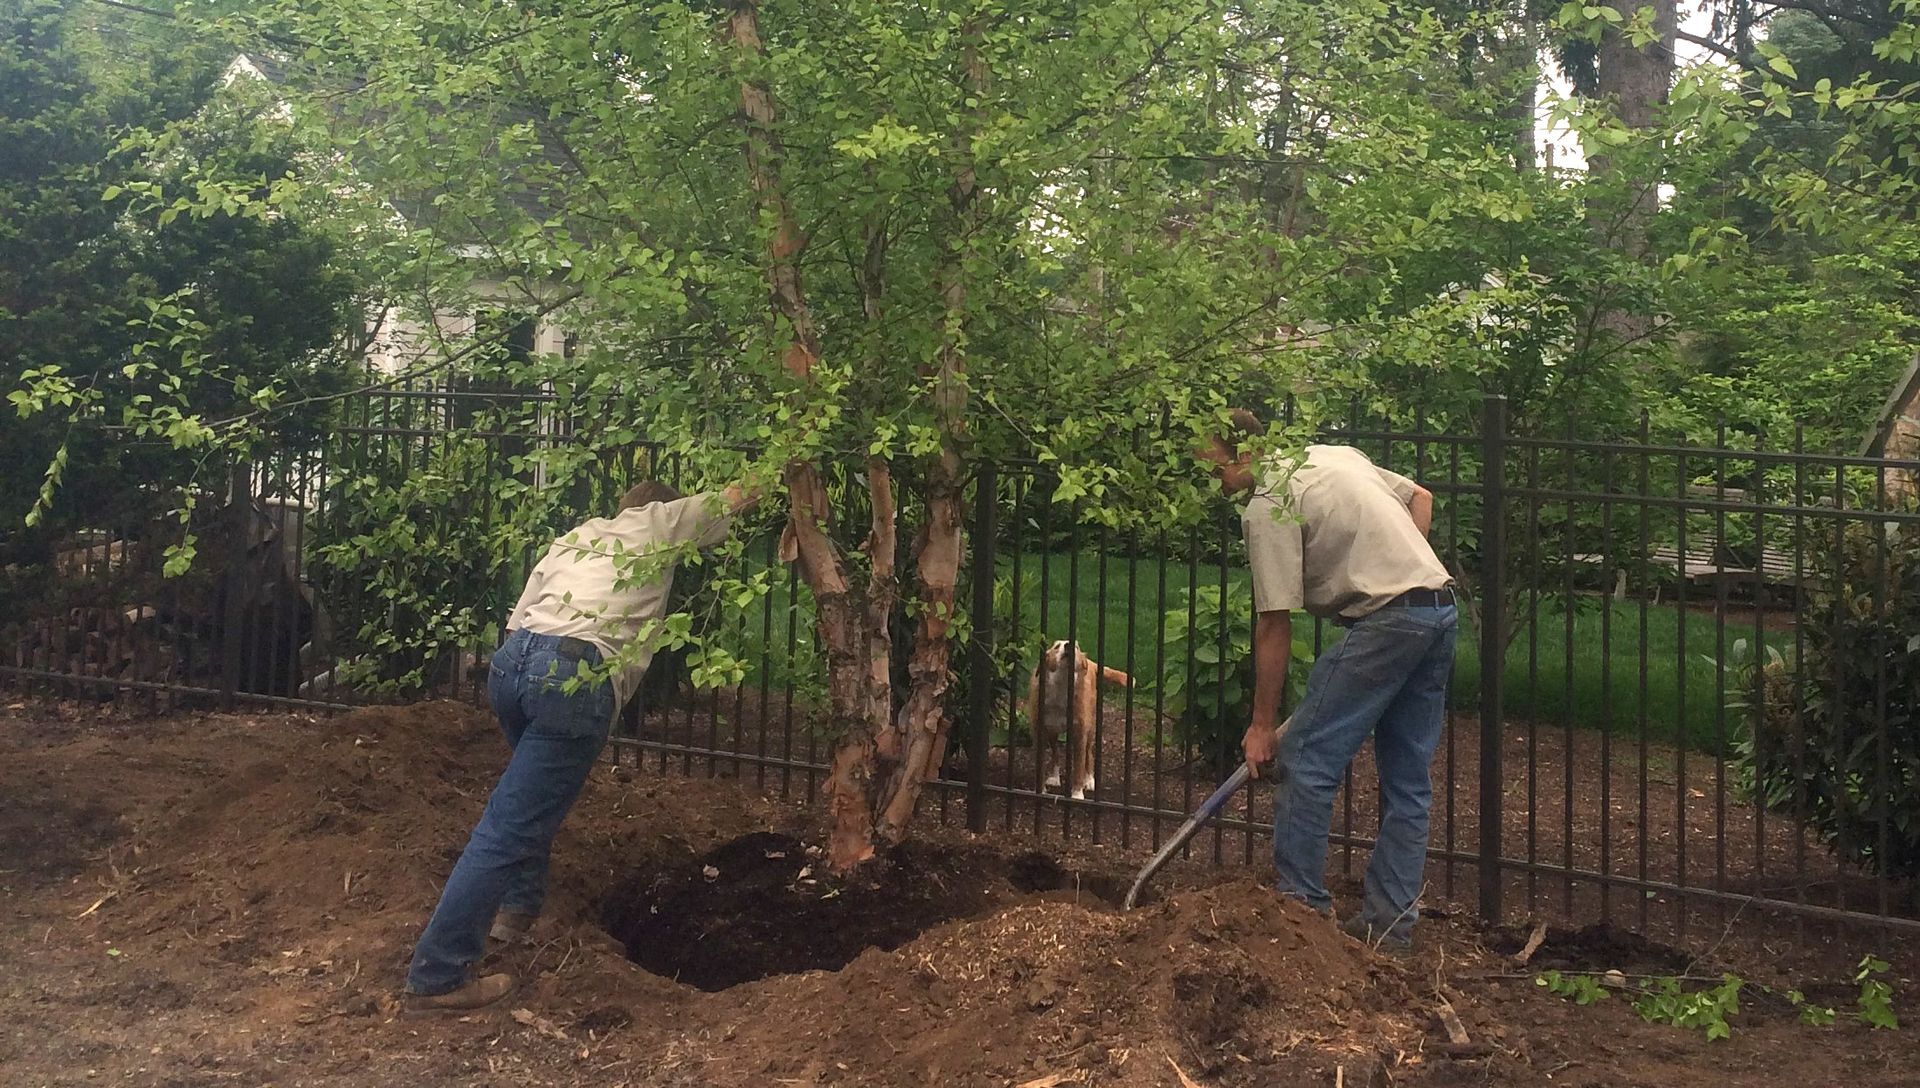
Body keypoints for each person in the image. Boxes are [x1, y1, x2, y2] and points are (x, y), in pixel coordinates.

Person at [402, 479, 759, 1013]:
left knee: (528, 805)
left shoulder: (579, 535)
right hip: (571, 679)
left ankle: (516, 912)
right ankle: (438, 975)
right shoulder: (657, 524)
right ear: (659, 508)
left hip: (513, 666)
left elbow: (518, 619)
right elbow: (735, 496)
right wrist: (796, 447)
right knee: (507, 828)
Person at [1200, 411, 1457, 955]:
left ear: (1243, 456)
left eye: (1213, 467)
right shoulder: (1332, 456)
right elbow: (1422, 498)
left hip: (1387, 622)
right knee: (1408, 784)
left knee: (1305, 763)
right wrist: (1401, 577)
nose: (1212, 482)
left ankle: (1302, 920)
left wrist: (1262, 727)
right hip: (1437, 610)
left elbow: (1274, 622)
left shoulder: (1270, 506)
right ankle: (1389, 931)